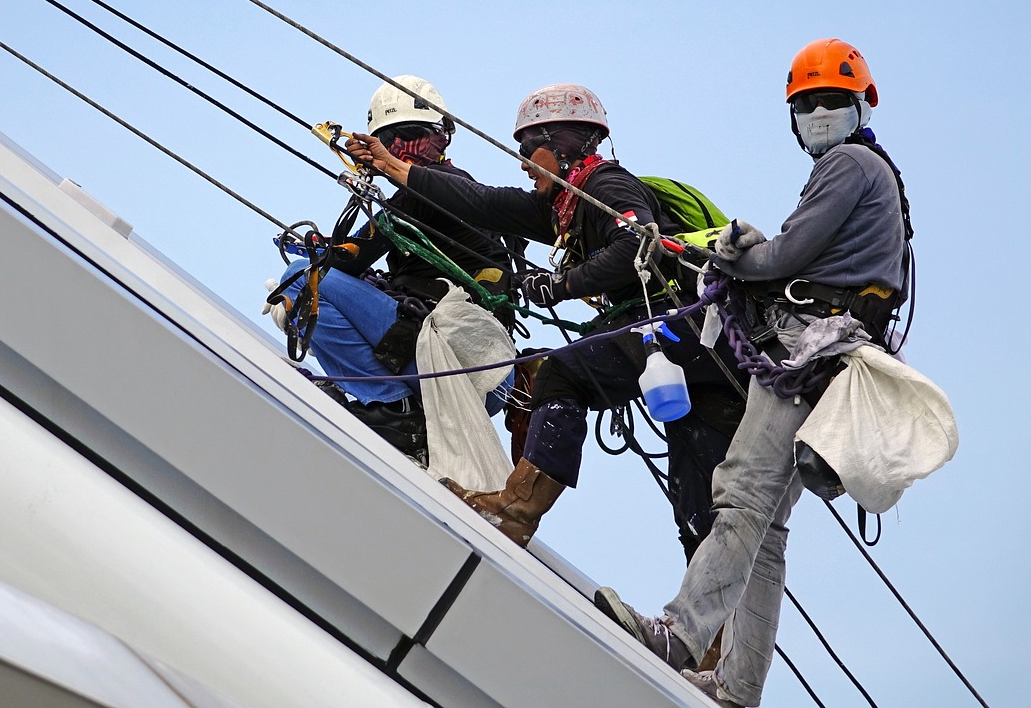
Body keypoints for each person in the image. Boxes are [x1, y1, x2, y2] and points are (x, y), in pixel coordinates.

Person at [593, 39, 912, 708]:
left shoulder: (849, 164)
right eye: (808, 104)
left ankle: (674, 637)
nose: (820, 112)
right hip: (836, 359)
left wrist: (733, 252)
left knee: (739, 497)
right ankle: (736, 686)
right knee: (765, 531)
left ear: (861, 106)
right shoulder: (877, 174)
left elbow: (785, 256)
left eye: (831, 101)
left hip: (810, 356)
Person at [347, 84, 746, 555]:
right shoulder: (561, 206)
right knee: (695, 490)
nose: (521, 161)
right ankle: (714, 627)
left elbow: (635, 243)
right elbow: (482, 202)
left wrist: (561, 285)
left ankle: (515, 509)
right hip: (706, 350)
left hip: (681, 325)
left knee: (562, 372)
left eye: (526, 148)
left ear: (562, 142)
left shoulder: (606, 186)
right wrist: (398, 169)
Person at [272, 75, 516, 465]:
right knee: (323, 283)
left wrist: (322, 252)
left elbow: (349, 256)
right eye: (389, 142)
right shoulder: (455, 194)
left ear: (442, 139)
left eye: (413, 137)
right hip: (481, 374)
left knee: (302, 278)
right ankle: (402, 414)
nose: (401, 151)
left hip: (460, 361)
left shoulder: (436, 188)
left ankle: (390, 407)